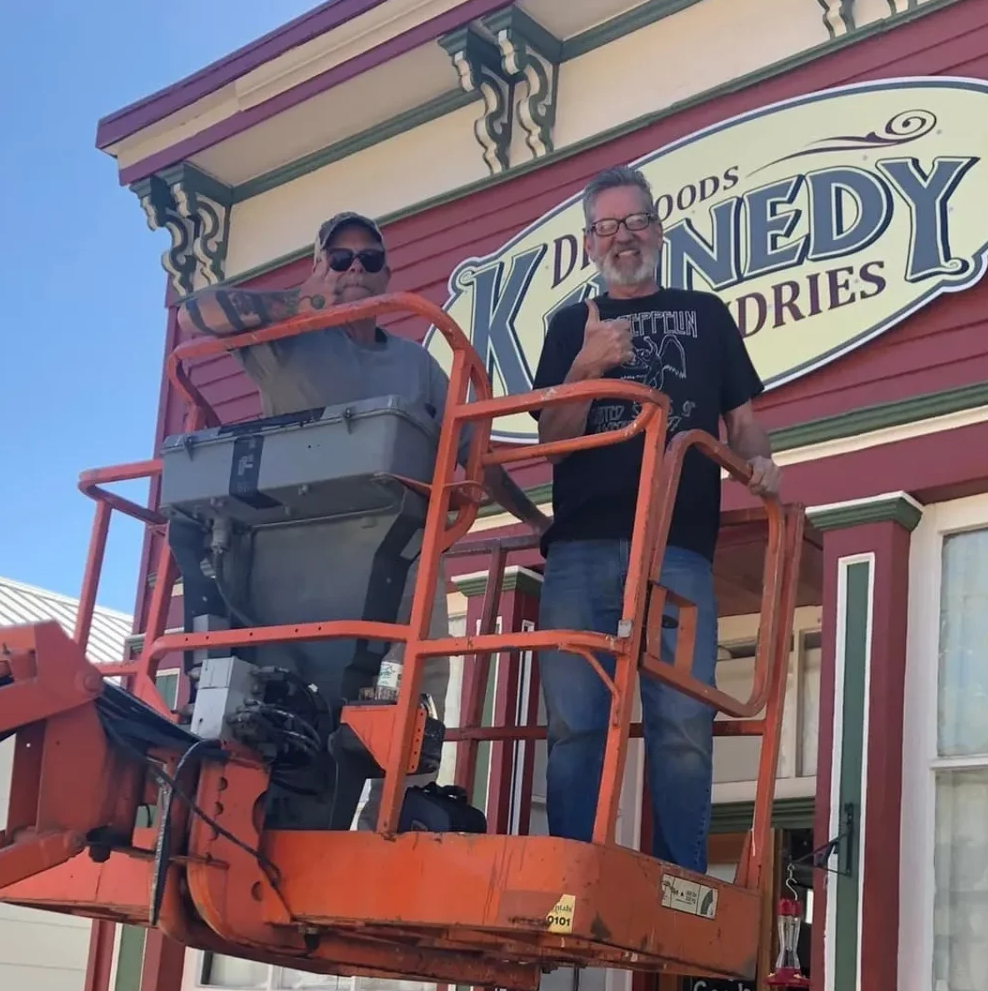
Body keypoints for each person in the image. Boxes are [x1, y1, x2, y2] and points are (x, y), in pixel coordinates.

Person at [171, 212, 542, 814]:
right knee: (266, 718)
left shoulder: (418, 362)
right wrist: (301, 299)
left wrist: (534, 521)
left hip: (389, 571)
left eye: (368, 261)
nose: (353, 271)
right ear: (319, 266)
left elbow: (475, 456)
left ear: (386, 276)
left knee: (411, 693)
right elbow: (196, 313)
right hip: (284, 578)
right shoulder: (285, 341)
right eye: (338, 259)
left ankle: (395, 818)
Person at [530, 165, 780, 874]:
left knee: (681, 723)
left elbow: (744, 423)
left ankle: (679, 875)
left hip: (678, 545)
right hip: (580, 546)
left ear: (658, 231)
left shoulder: (705, 314)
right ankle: (572, 870)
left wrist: (762, 465)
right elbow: (552, 438)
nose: (623, 237)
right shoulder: (565, 326)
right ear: (588, 246)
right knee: (575, 722)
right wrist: (588, 367)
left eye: (635, 221)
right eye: (607, 226)